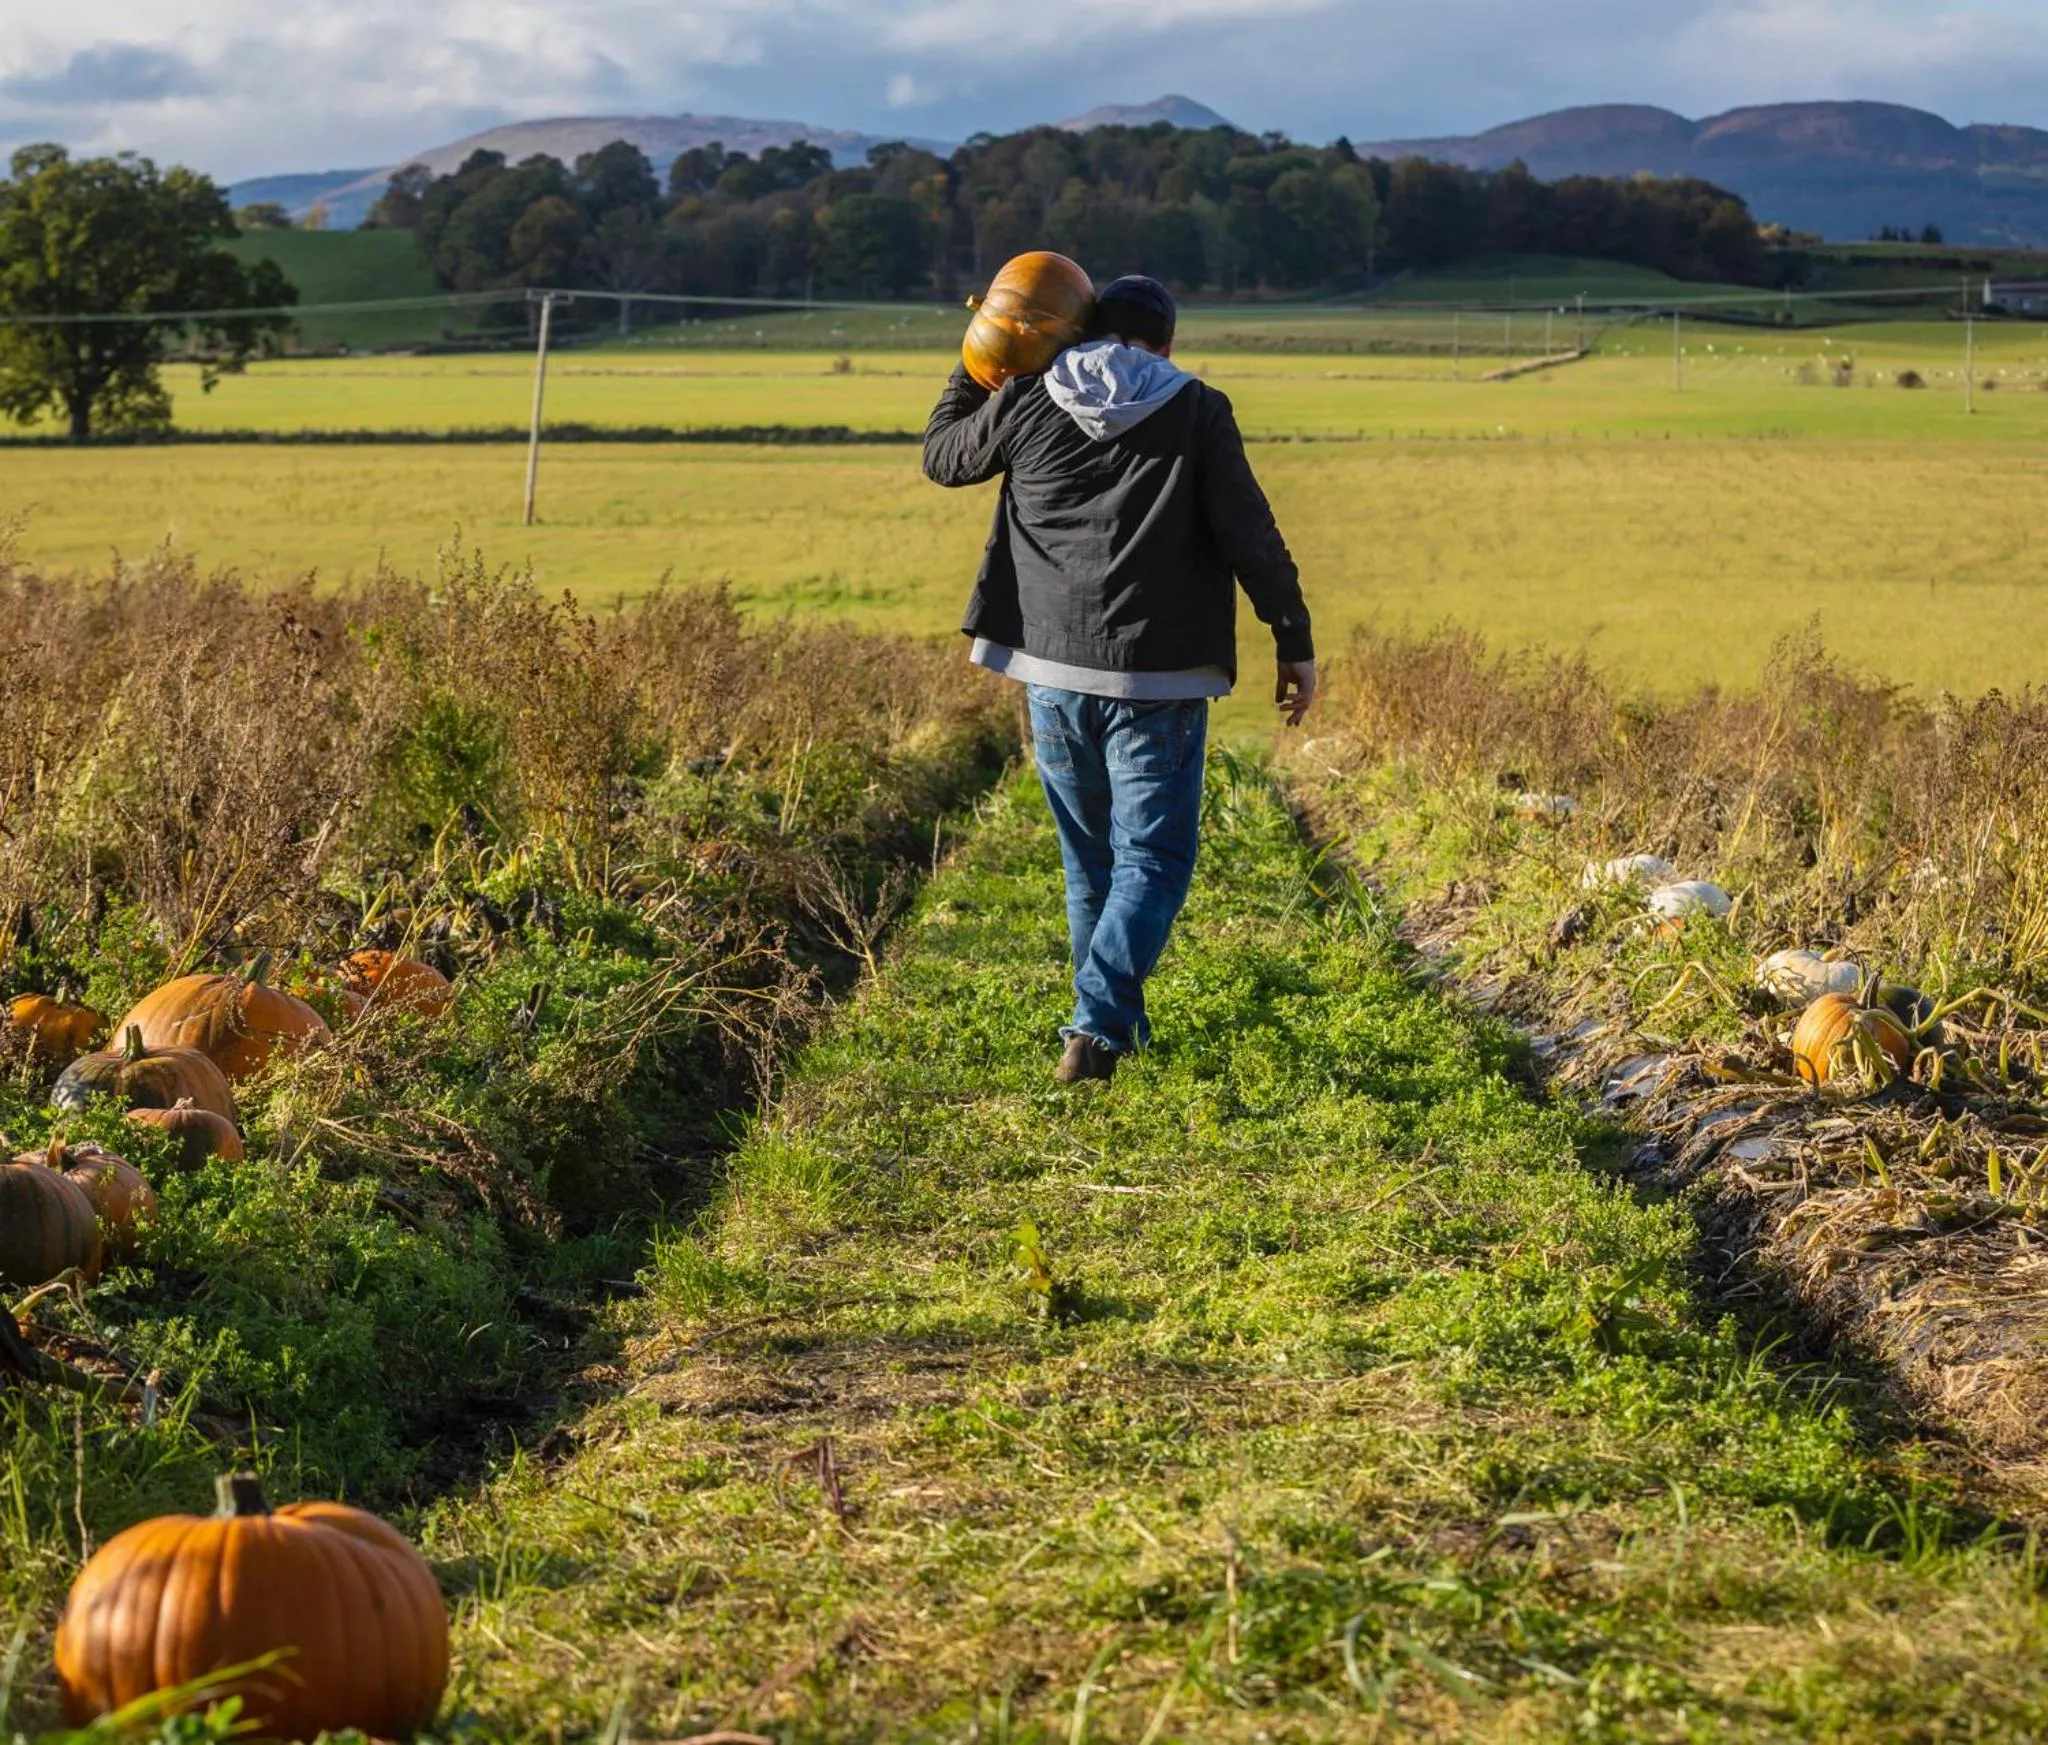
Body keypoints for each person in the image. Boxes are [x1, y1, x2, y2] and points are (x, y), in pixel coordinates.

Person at [923, 274, 1316, 1085]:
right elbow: (1252, 536)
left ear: (1076, 333)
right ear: (1167, 344)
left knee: (1090, 860)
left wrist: (983, 354)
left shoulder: (1027, 398)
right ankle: (1098, 1031)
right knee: (1155, 859)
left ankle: (1104, 1028)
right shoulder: (1198, 408)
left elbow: (942, 457)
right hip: (1159, 676)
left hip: (1051, 667)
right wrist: (1293, 638)